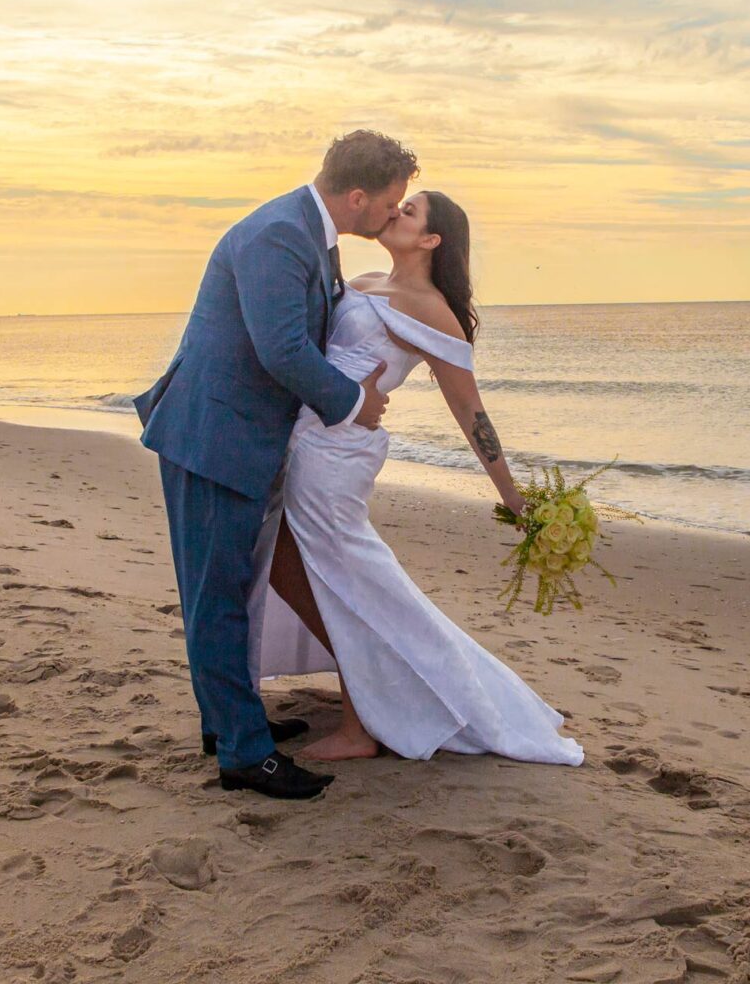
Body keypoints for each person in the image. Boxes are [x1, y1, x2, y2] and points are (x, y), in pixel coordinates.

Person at [249, 190, 583, 767]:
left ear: (431, 240)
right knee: (287, 565)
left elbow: (469, 410)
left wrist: (513, 496)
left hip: (337, 456)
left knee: (347, 581)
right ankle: (380, 683)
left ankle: (361, 725)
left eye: (411, 212)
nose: (396, 212)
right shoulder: (366, 278)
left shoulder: (430, 308)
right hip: (303, 437)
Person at [135, 130, 409, 800]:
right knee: (219, 598)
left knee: (232, 590)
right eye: (391, 203)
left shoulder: (310, 235)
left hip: (241, 438)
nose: (394, 215)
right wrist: (355, 404)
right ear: (357, 196)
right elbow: (282, 349)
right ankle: (243, 756)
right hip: (215, 437)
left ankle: (230, 724)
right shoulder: (280, 235)